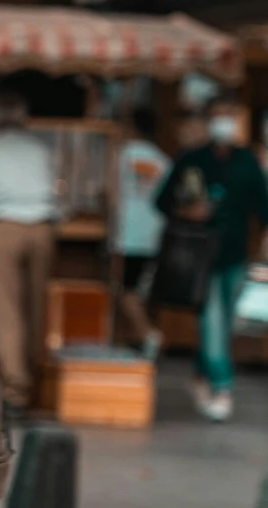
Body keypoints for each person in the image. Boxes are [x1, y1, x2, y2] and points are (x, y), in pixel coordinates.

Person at [157, 102, 268, 422]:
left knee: (224, 321)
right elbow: (162, 201)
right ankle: (222, 385)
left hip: (235, 253)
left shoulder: (247, 162)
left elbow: (263, 206)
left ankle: (200, 374)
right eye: (219, 117)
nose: (224, 123)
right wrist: (187, 212)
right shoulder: (193, 160)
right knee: (212, 319)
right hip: (199, 256)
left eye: (229, 117)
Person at [0, 80, 59, 416]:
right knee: (37, 307)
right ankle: (40, 385)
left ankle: (15, 389)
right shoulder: (42, 148)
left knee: (6, 308)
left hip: (4, 226)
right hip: (42, 227)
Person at [113, 105, 169, 358]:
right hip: (154, 236)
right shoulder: (164, 160)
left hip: (125, 235)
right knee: (139, 291)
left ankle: (148, 335)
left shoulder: (119, 156)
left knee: (125, 290)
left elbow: (109, 194)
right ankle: (140, 337)